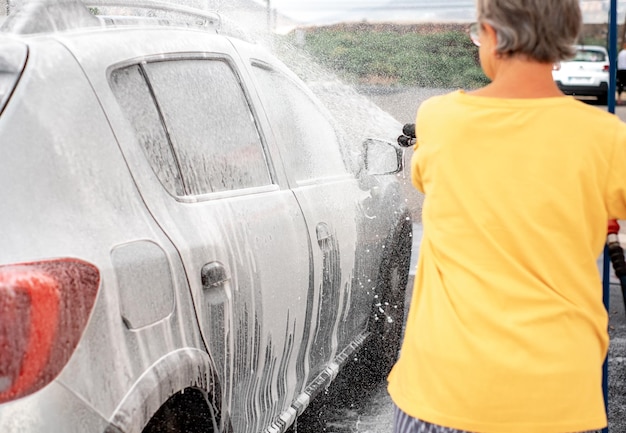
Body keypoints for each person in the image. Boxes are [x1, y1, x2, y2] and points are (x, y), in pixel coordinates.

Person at [387, 1, 626, 432]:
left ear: (492, 36)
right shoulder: (607, 138)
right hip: (559, 399)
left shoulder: (439, 119)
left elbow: (429, 178)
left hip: (444, 390)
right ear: (565, 41)